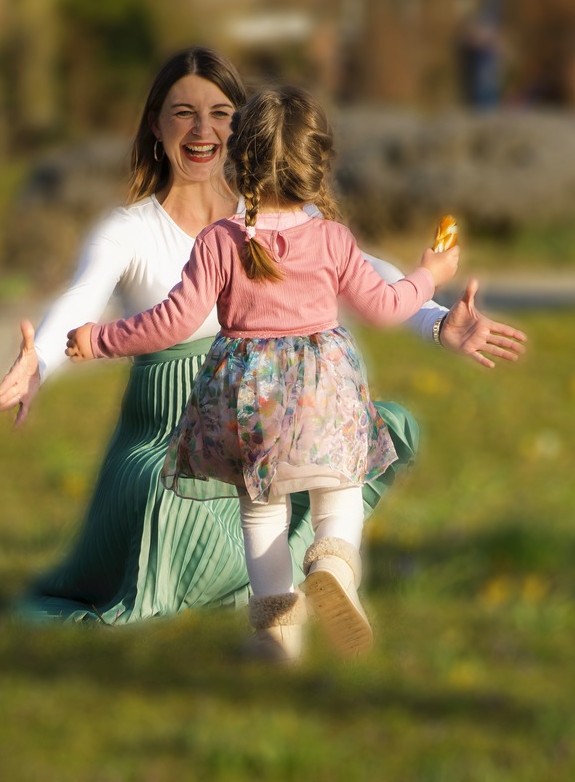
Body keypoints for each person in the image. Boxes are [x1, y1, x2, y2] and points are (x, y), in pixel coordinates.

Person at [0, 47, 526, 629]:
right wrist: (40, 359)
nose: (203, 130)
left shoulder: (259, 231)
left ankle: (277, 607)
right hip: (173, 435)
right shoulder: (136, 230)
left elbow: (374, 275)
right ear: (155, 125)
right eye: (183, 113)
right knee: (180, 493)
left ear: (242, 128)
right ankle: (323, 565)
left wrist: (437, 320)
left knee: (302, 480)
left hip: (251, 416)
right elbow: (83, 295)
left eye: (220, 112)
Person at [65, 85, 460, 661]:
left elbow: (172, 322)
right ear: (318, 167)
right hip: (325, 394)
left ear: (236, 162)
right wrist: (428, 275)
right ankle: (332, 563)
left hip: (249, 405)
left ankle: (275, 632)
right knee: (340, 487)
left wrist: (99, 338)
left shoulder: (220, 241)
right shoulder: (331, 239)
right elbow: (385, 306)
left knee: (262, 508)